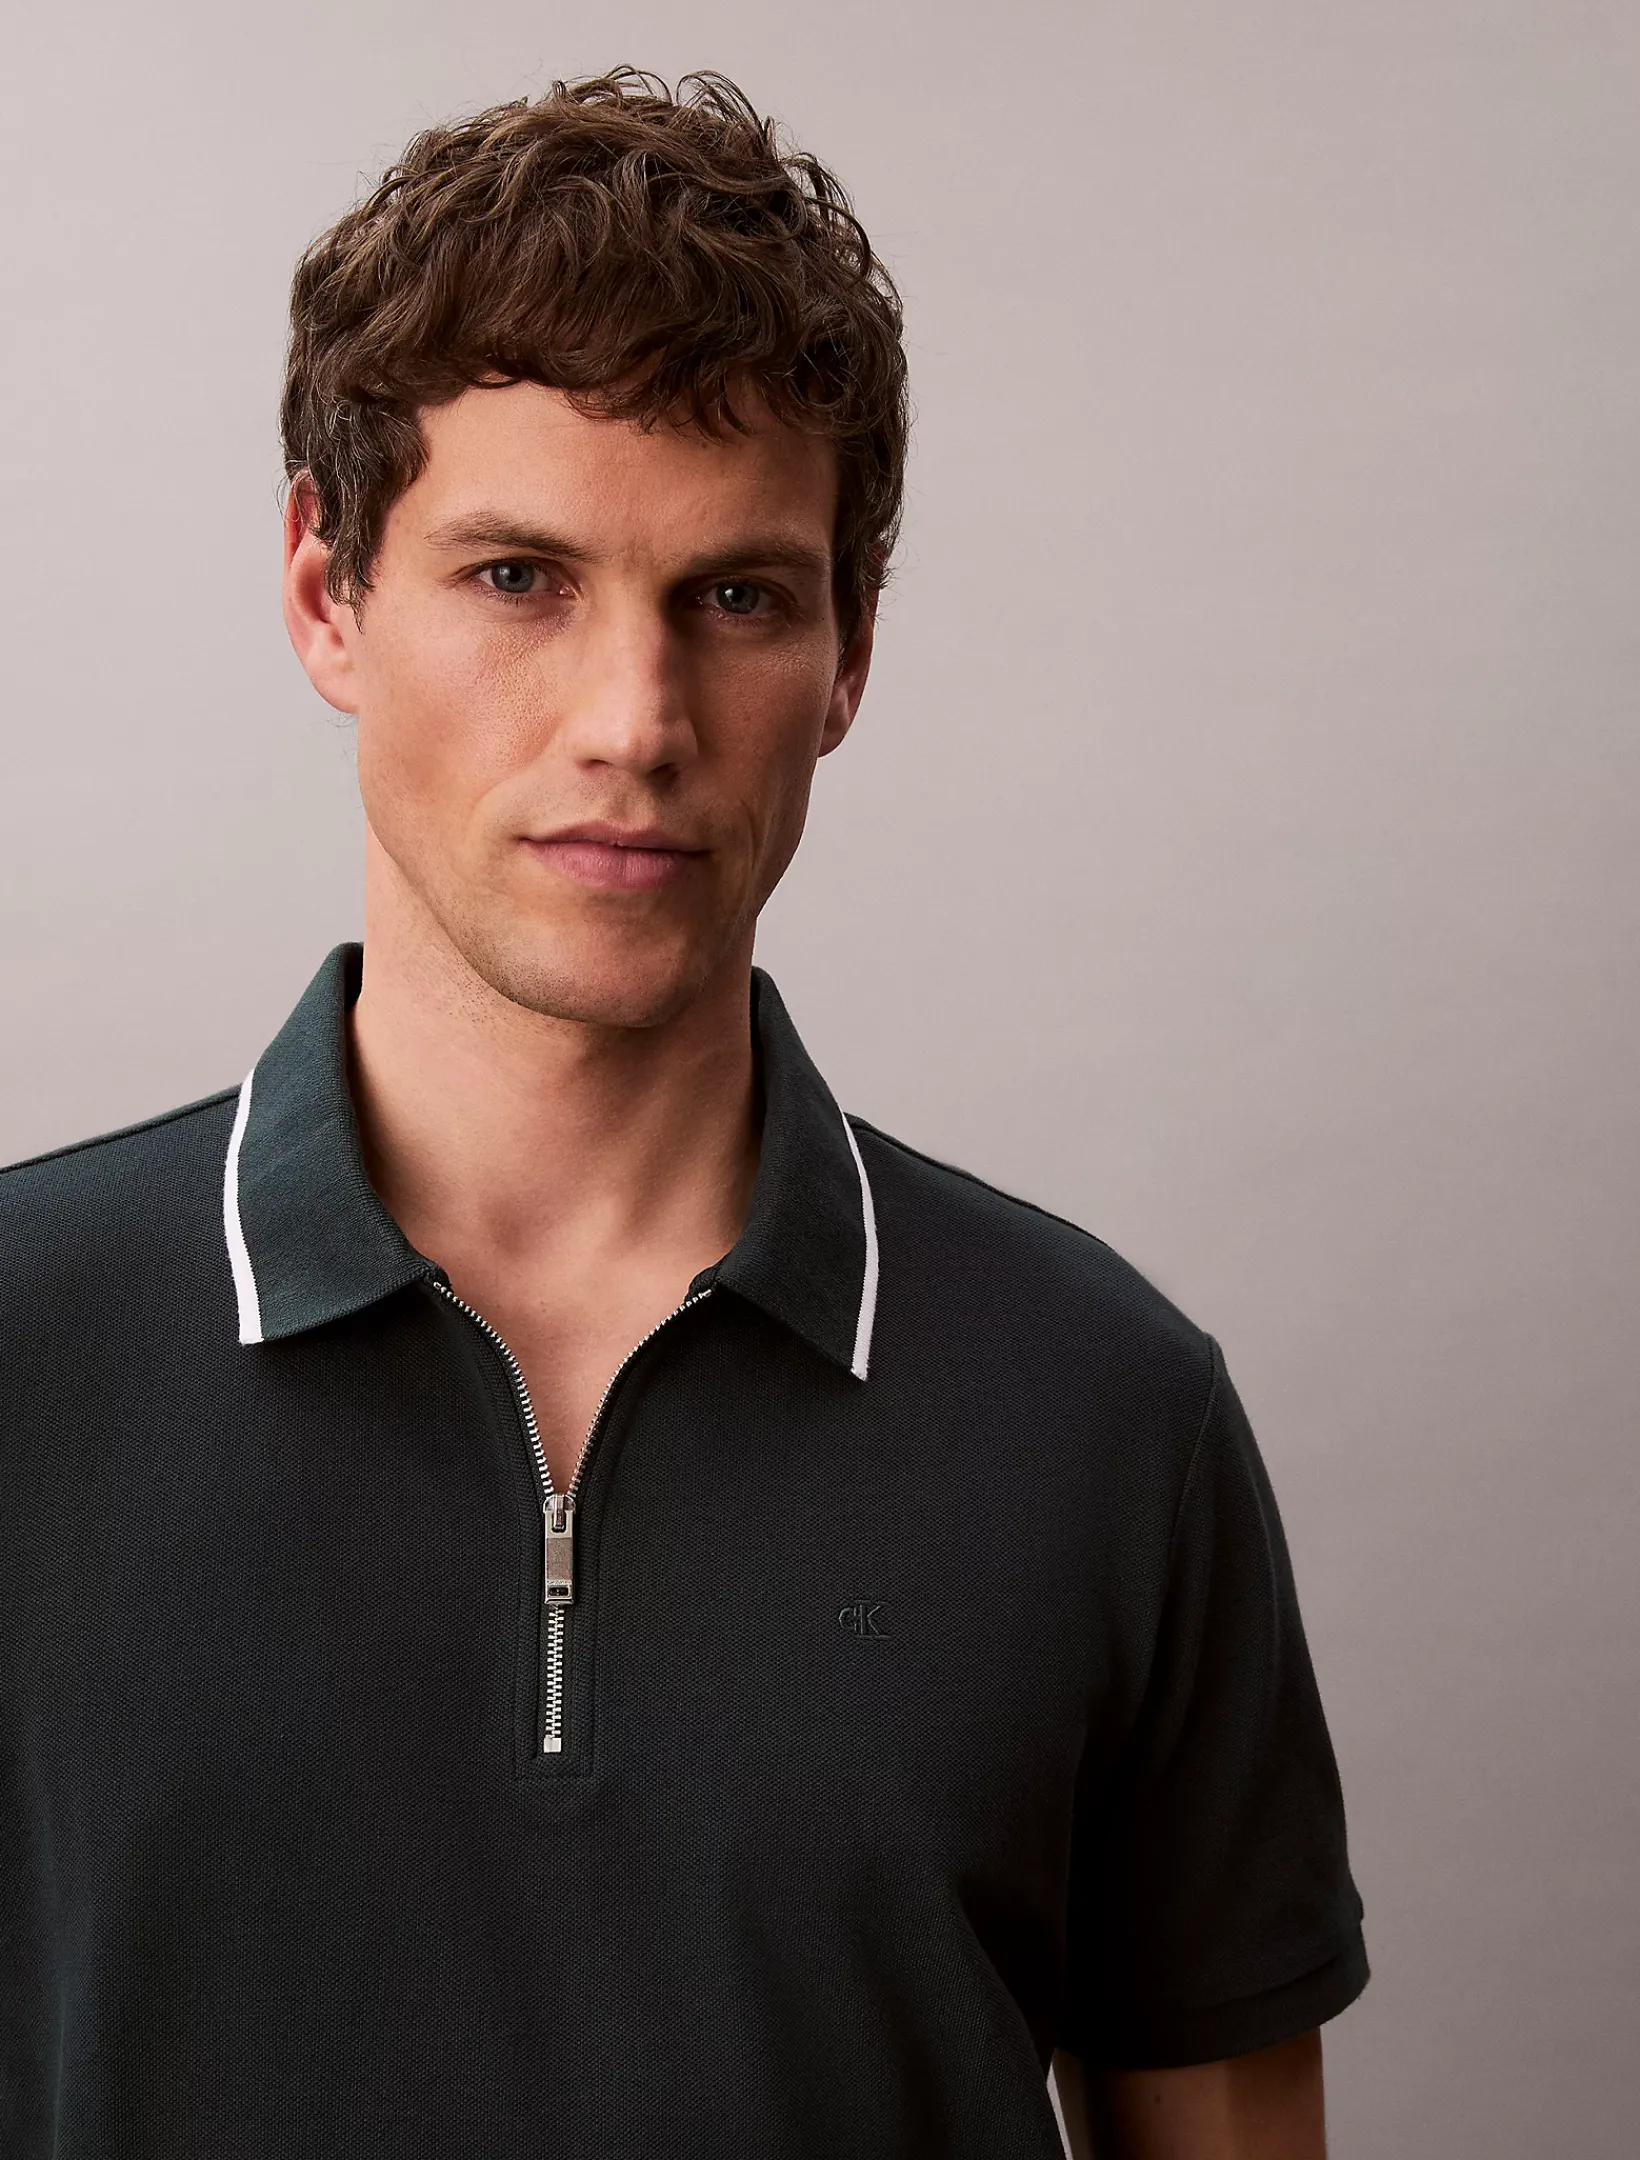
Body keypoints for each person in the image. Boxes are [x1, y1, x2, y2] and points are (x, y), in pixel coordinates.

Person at [0, 68, 1367, 2160]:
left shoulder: (1105, 1413)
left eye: (734, 598)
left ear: (848, 655)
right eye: (518, 578)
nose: (632, 723)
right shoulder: (19, 1363)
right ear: (325, 593)